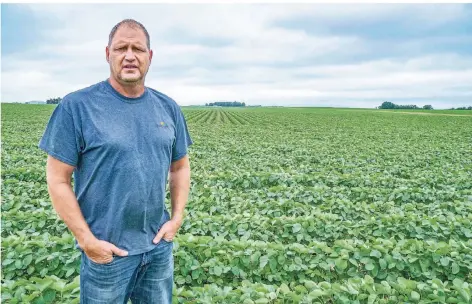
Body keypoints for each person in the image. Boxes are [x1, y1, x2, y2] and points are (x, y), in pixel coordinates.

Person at [38, 18, 193, 303]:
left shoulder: (168, 107)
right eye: (122, 48)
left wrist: (177, 218)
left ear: (150, 56)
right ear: (108, 54)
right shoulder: (77, 106)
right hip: (106, 256)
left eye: (138, 49)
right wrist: (87, 241)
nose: (130, 56)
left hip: (158, 248)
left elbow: (180, 166)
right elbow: (58, 179)